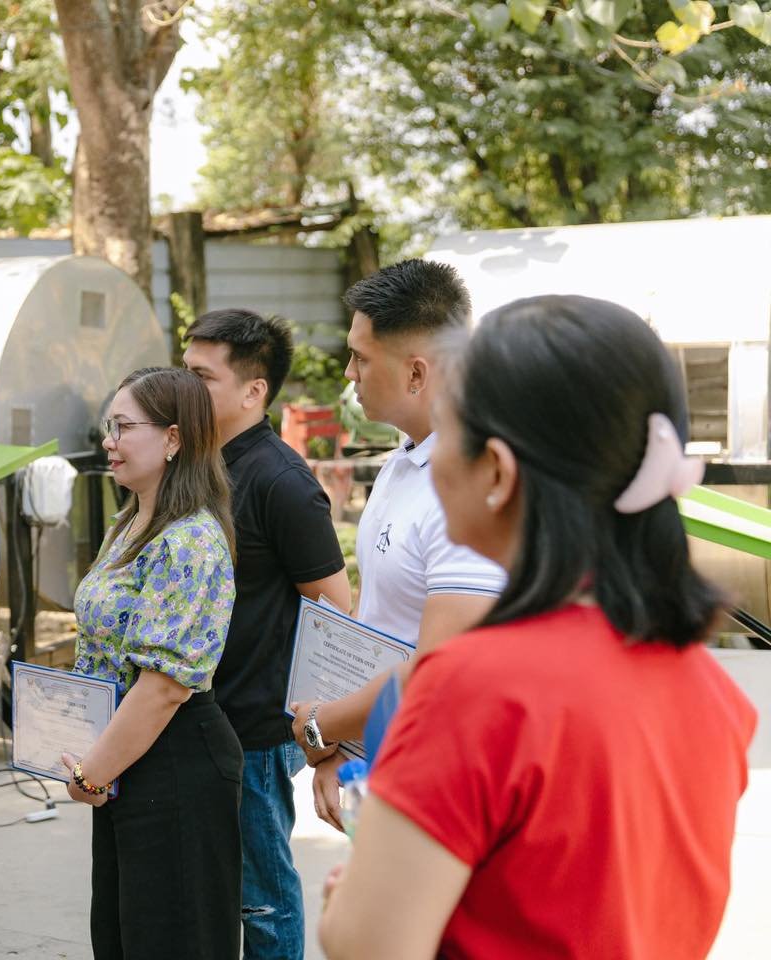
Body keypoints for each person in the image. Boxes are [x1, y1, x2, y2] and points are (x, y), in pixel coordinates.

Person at [319, 295, 757, 959]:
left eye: (447, 428)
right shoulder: (709, 688)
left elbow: (367, 944)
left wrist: (345, 903)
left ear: (496, 470)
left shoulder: (470, 687)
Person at [288, 260, 504, 825]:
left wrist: (324, 727)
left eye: (361, 357)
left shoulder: (469, 486)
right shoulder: (402, 463)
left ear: (416, 373)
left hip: (445, 781)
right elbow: (382, 622)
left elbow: (442, 668)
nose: (349, 373)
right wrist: (341, 746)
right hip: (386, 761)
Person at [182, 309, 350, 960]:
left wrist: (327, 742)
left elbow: (334, 614)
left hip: (252, 730)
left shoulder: (281, 480)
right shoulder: (193, 464)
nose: (186, 386)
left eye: (203, 376)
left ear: (254, 391)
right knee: (206, 893)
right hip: (185, 715)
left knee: (262, 898)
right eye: (184, 370)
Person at [63, 366, 241, 960]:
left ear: (173, 438)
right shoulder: (133, 519)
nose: (108, 440)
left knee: (170, 940)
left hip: (173, 759)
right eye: (107, 426)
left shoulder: (189, 540)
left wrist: (93, 773)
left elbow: (163, 687)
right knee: (122, 936)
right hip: (126, 753)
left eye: (123, 427)